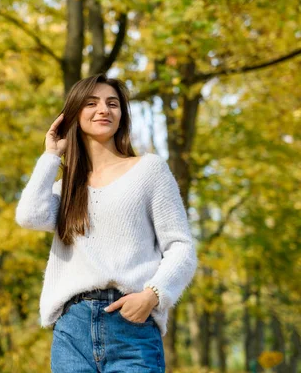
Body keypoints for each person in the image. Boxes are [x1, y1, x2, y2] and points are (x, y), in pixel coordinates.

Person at [15, 73, 198, 372]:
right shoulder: (67, 189)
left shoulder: (149, 171)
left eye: (112, 103)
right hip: (72, 332)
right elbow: (29, 215)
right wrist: (51, 155)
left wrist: (152, 296)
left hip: (131, 326)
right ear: (73, 114)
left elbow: (181, 247)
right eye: (92, 103)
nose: (104, 109)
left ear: (121, 115)